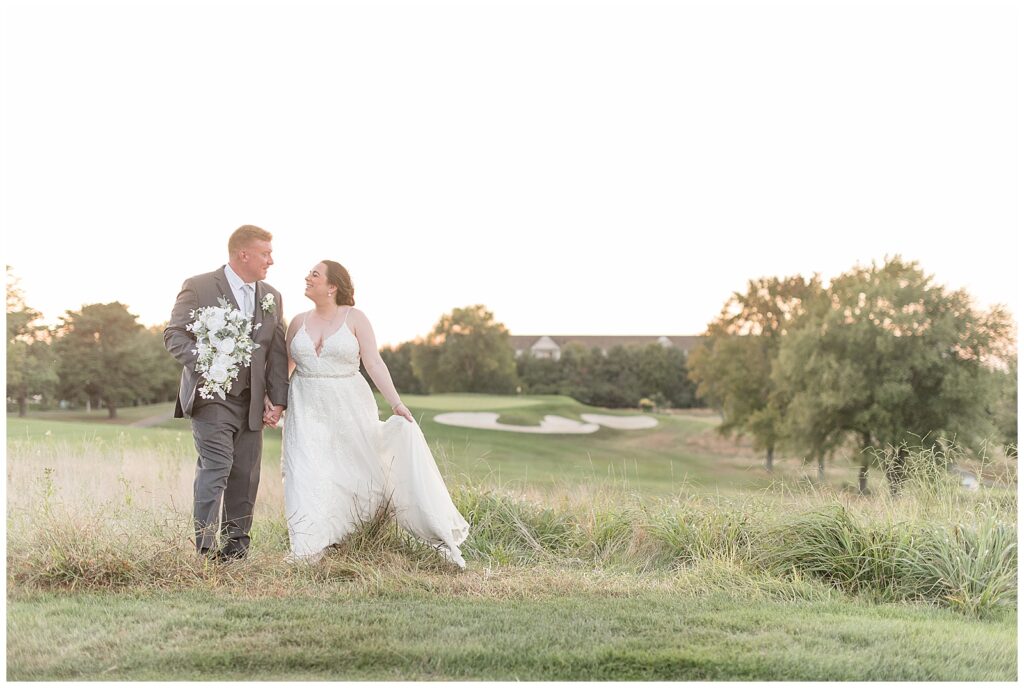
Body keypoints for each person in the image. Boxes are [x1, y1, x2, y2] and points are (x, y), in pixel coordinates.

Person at [281, 260, 469, 567]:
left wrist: (396, 403)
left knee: (351, 471)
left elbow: (374, 363)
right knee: (305, 471)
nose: (307, 277)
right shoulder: (298, 321)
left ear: (333, 286)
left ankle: (348, 537)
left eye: (314, 274)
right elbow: (287, 366)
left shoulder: (355, 318)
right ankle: (307, 546)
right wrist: (274, 402)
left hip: (348, 404)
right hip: (305, 405)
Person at [164, 225, 289, 561]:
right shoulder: (199, 286)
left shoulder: (272, 296)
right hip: (212, 397)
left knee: (246, 476)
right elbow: (174, 336)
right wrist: (210, 363)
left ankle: (235, 553)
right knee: (216, 468)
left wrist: (277, 400)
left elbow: (277, 352)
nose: (271, 261)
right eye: (266, 253)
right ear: (242, 254)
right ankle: (205, 550)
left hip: (252, 403)